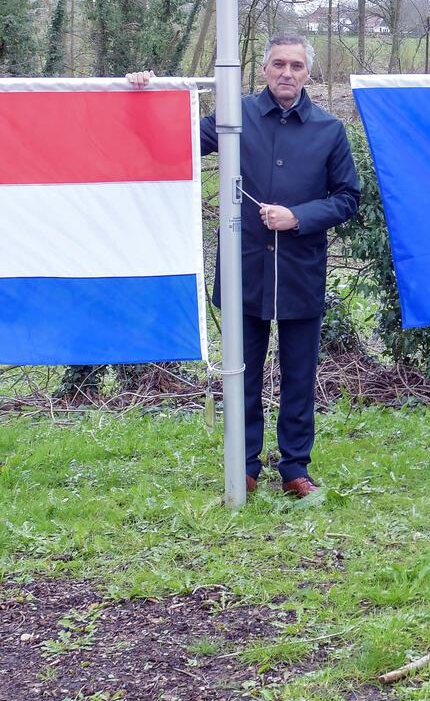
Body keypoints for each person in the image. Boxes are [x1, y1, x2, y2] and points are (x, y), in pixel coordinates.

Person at [128, 34, 360, 497]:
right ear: (264, 70)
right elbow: (178, 139)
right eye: (278, 64)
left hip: (300, 273)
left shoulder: (329, 130)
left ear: (307, 74)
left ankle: (295, 467)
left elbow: (348, 198)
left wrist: (299, 216)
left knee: (298, 378)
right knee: (244, 376)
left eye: (296, 66)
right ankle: (245, 465)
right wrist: (147, 94)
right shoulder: (237, 117)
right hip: (243, 275)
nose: (286, 73)